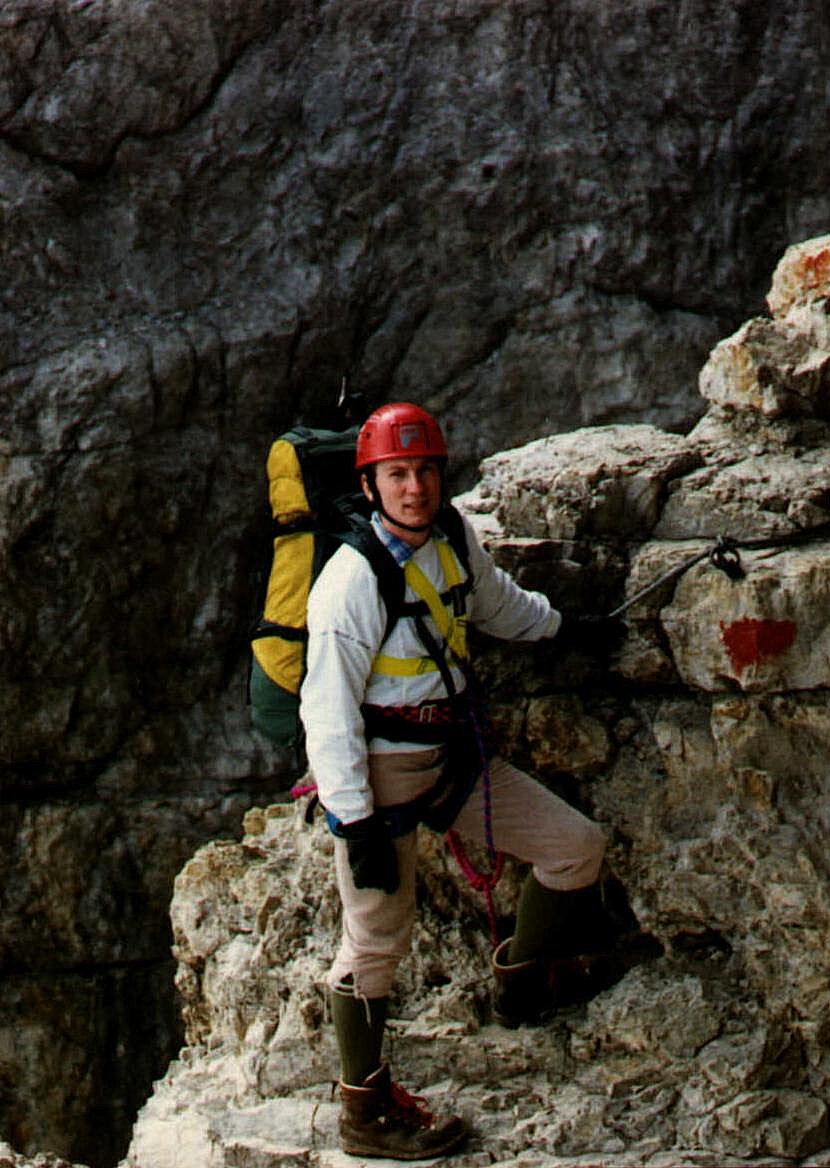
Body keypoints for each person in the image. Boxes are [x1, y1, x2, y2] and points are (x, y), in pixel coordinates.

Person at [301, 401, 611, 1160]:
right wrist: (355, 822)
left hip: (452, 760)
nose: (414, 488)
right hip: (378, 777)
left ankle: (519, 984)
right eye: (397, 475)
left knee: (576, 846)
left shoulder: (451, 538)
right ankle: (364, 1113)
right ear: (370, 485)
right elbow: (328, 712)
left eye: (425, 471)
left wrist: (565, 629)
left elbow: (498, 605)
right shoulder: (350, 580)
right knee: (375, 939)